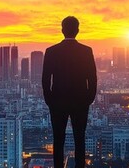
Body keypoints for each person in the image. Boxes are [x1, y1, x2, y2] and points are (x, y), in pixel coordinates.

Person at [42, 16, 98, 168]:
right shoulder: (86, 51)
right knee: (79, 137)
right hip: (80, 102)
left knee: (58, 138)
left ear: (62, 30)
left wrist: (50, 101)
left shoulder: (51, 51)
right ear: (77, 30)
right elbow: (92, 78)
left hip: (57, 102)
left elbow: (46, 79)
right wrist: (88, 99)